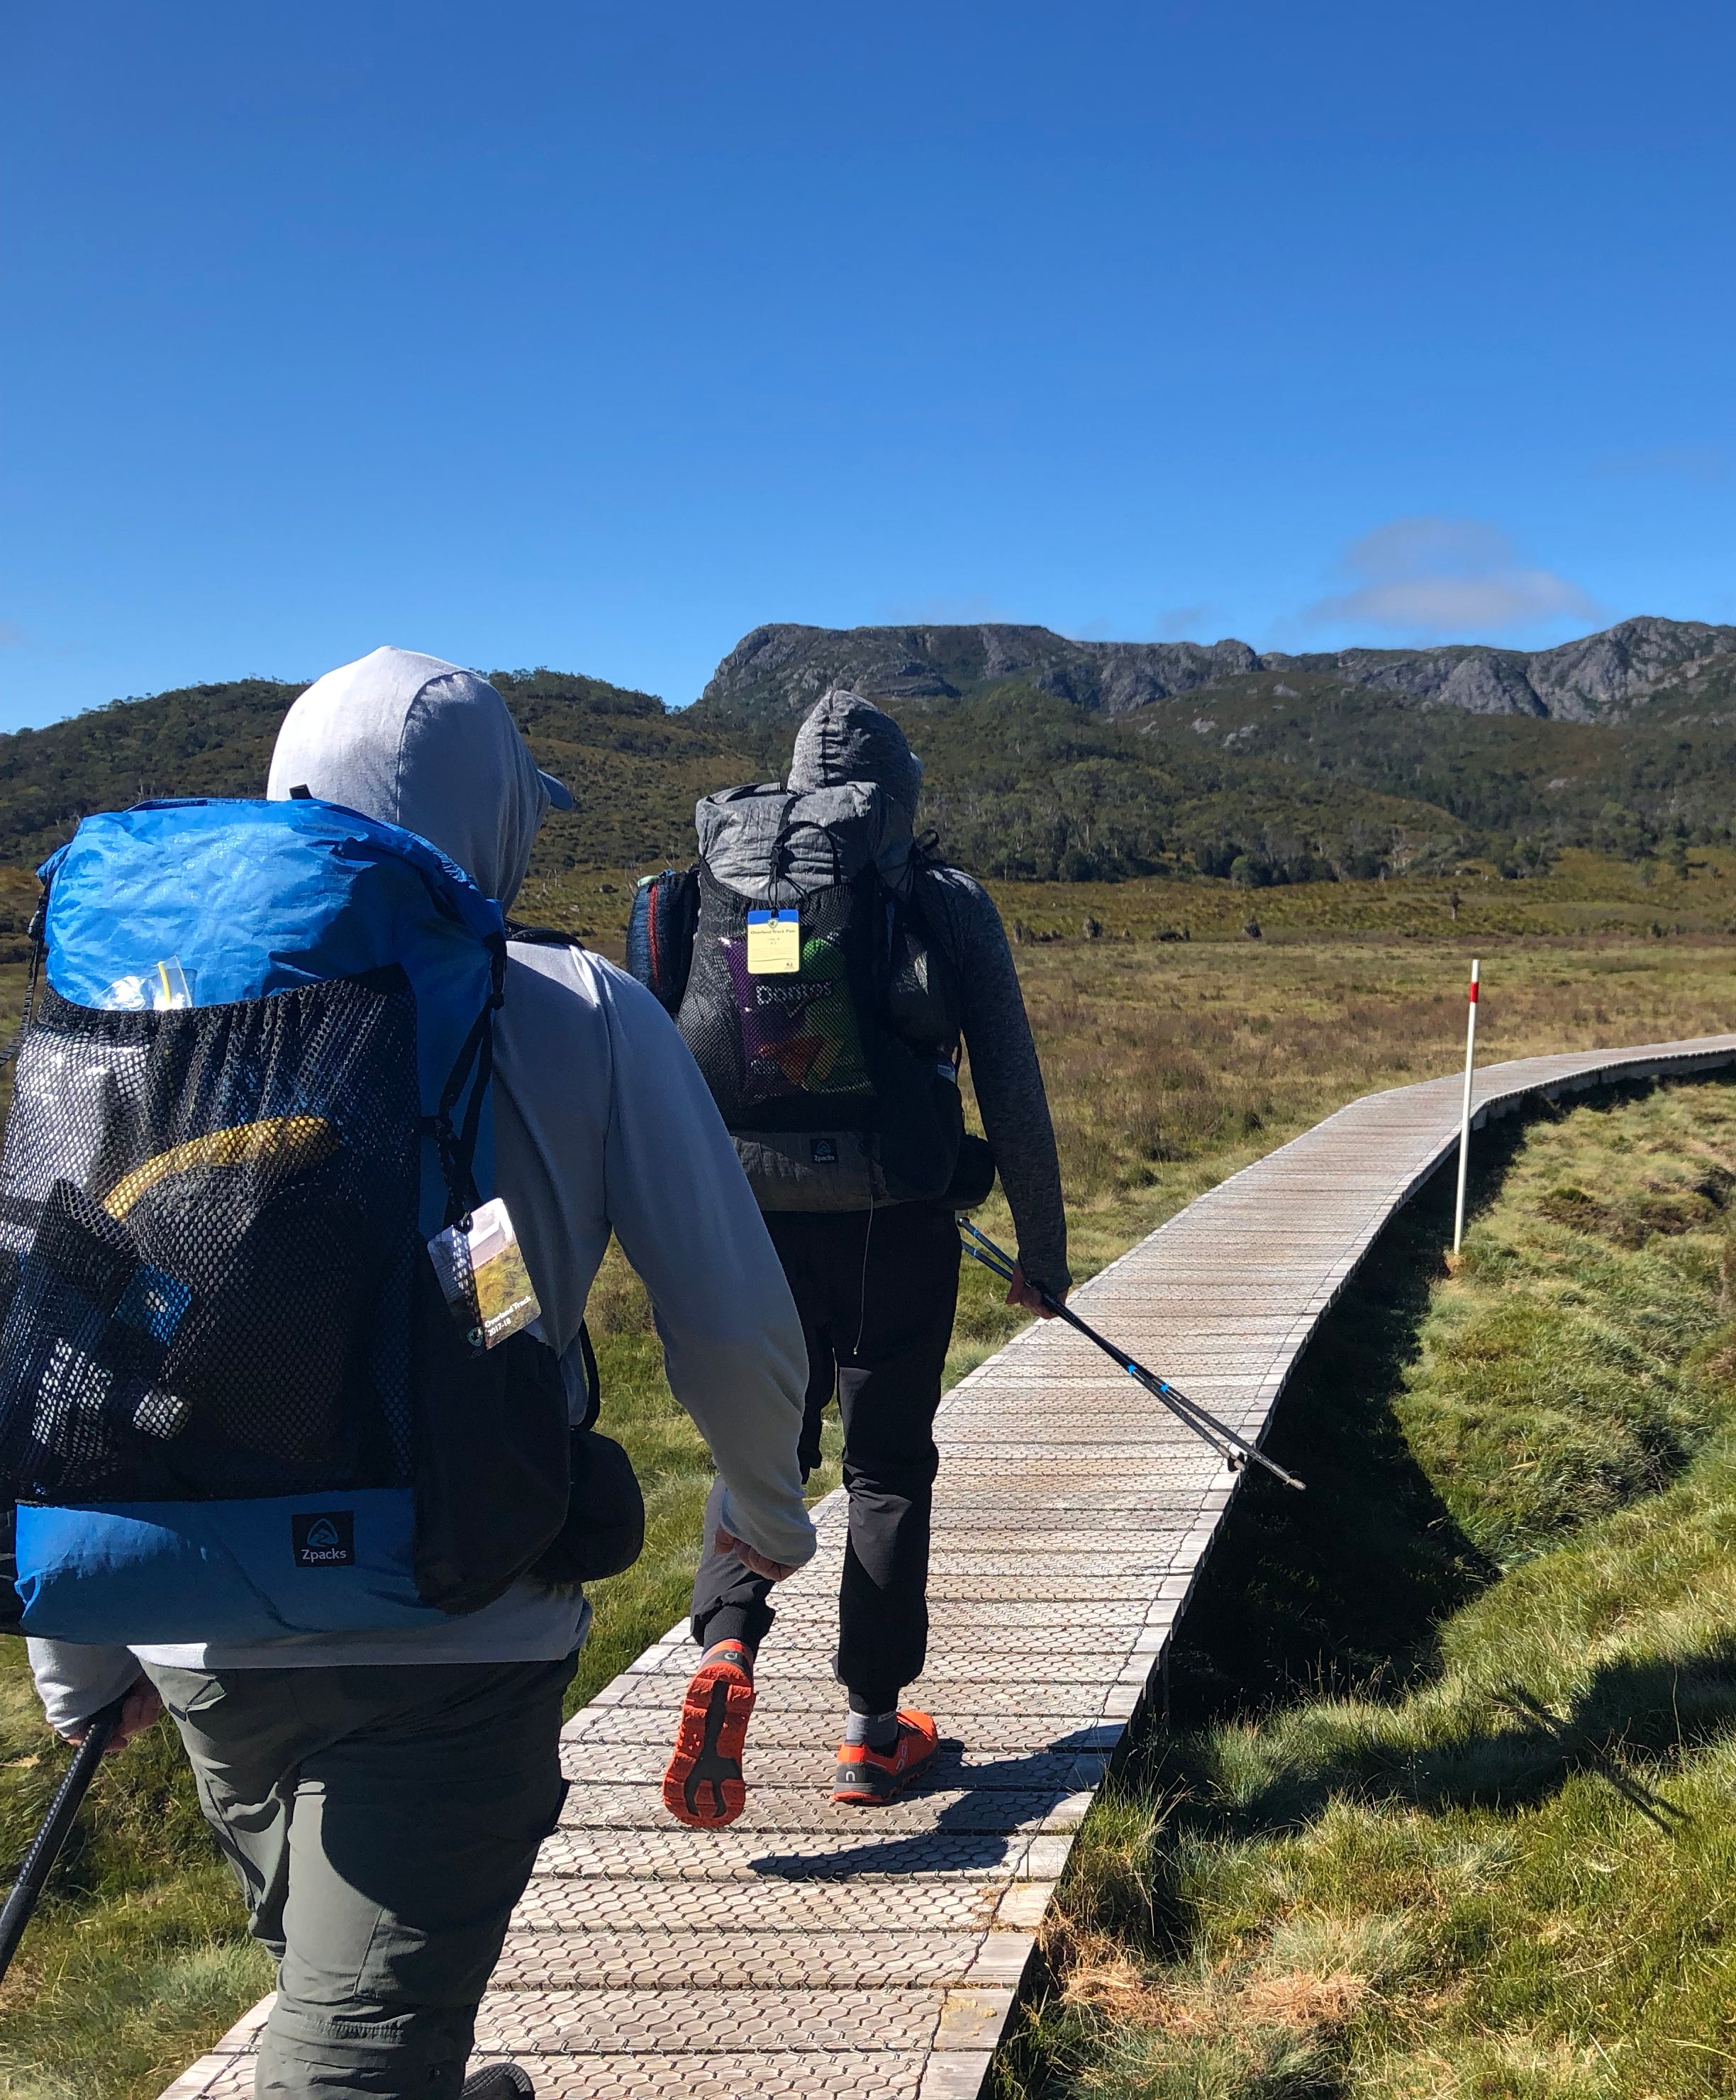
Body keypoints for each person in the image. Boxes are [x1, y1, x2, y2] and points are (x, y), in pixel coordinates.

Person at [22, 648, 820, 2100]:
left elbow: (79, 1329)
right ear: (496, 821)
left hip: (198, 1621)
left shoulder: (160, 1026)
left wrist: (81, 1648)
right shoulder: (579, 1006)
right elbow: (732, 1323)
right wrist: (765, 1517)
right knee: (358, 2047)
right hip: (459, 1615)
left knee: (343, 2006)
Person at [660, 689, 1069, 1824]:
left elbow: (651, 1070)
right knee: (886, 1465)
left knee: (764, 1449)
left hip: (747, 1226)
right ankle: (872, 1736)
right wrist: (1041, 1251)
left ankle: (728, 1650)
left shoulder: (707, 891)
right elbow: (1014, 1087)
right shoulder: (939, 898)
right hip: (900, 1223)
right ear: (903, 793)